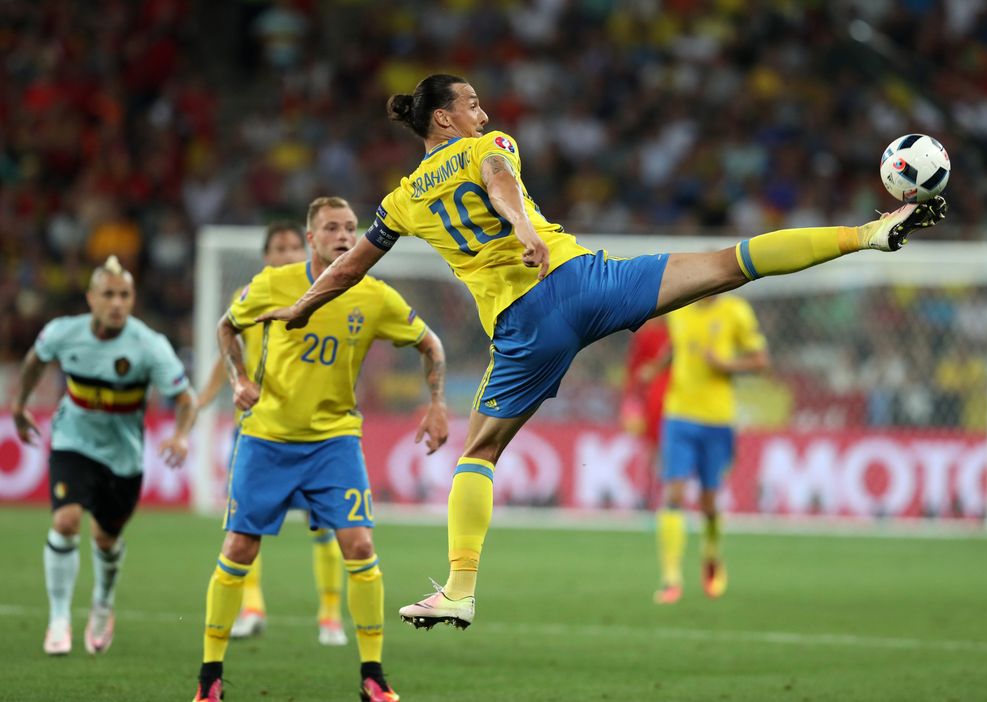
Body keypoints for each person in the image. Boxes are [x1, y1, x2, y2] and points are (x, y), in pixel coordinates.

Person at [256, 74, 948, 632]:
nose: (482, 112)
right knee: (728, 264)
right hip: (584, 281)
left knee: (480, 453)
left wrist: (302, 305)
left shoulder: (400, 201)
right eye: (471, 103)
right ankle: (865, 235)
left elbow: (351, 267)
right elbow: (499, 179)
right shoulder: (486, 144)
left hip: (525, 325)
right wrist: (526, 227)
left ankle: (460, 589)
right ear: (443, 118)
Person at [192, 196, 449, 702]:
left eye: (351, 227)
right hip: (267, 437)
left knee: (361, 546)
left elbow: (431, 344)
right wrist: (238, 378)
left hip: (334, 441)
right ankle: (209, 679)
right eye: (331, 227)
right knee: (239, 548)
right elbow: (226, 326)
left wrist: (438, 404)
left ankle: (373, 676)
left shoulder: (374, 295)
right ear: (310, 238)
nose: (344, 235)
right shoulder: (273, 283)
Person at [11, 255, 197, 656]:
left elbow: (186, 399)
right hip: (72, 441)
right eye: (109, 294)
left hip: (123, 456)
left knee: (106, 539)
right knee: (65, 521)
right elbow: (34, 361)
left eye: (124, 295)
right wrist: (20, 403)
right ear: (91, 298)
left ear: (133, 299)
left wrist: (181, 435)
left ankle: (102, 603)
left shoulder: (150, 345)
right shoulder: (63, 332)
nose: (117, 303)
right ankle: (59, 618)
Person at [195, 221, 350, 646]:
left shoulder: (326, 292)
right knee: (246, 526)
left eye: (292, 247)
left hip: (315, 429)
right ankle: (252, 609)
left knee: (325, 527)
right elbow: (229, 350)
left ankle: (330, 616)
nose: (286, 255)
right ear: (266, 257)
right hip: (258, 428)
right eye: (277, 248)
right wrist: (207, 397)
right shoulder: (251, 295)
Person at [653, 294, 769, 605]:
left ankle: (712, 554)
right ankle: (671, 578)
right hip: (678, 416)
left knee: (709, 502)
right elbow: (678, 345)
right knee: (674, 494)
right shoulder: (679, 308)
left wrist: (726, 365)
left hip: (717, 420)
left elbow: (760, 360)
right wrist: (657, 367)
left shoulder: (736, 311)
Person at [620, 319, 672, 509]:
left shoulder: (678, 329)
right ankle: (649, 494)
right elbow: (636, 370)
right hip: (656, 397)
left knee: (662, 449)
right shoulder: (648, 334)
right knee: (654, 449)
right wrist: (630, 400)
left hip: (674, 396)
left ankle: (656, 494)